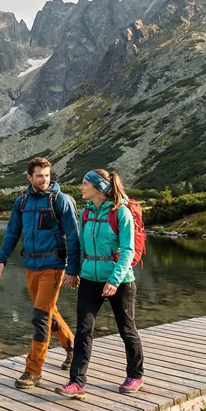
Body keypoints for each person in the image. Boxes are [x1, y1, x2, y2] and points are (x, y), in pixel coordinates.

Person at [0, 157, 82, 389]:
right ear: (29, 177)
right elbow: (12, 232)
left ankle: (33, 370)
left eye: (47, 175)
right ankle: (71, 345)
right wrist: (2, 259)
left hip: (53, 266)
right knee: (48, 311)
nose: (44, 180)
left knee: (40, 317)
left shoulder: (60, 201)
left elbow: (74, 237)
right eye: (40, 175)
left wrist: (73, 270)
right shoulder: (21, 203)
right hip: (30, 266)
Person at [55, 168, 144, 398]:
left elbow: (127, 251)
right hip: (90, 279)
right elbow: (82, 247)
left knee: (127, 329)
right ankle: (76, 382)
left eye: (85, 183)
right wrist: (74, 272)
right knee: (83, 330)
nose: (81, 187)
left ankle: (135, 375)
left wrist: (114, 281)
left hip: (120, 280)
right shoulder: (85, 213)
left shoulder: (120, 213)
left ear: (98, 187)